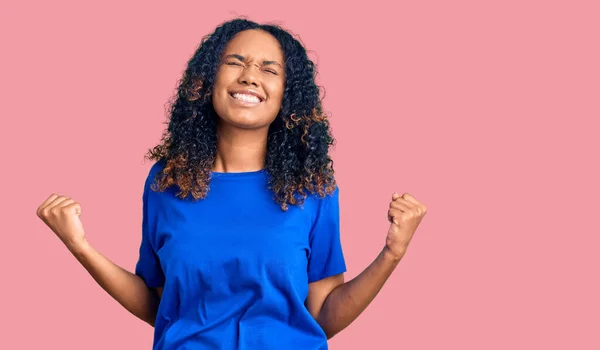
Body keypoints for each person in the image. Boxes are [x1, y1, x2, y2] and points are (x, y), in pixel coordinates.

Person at [36, 18, 427, 350]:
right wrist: (79, 246)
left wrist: (392, 253)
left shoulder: (312, 187)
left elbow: (323, 314)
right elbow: (161, 304)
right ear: (208, 80)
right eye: (235, 63)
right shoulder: (166, 182)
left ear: (285, 96)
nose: (249, 76)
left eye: (269, 69)